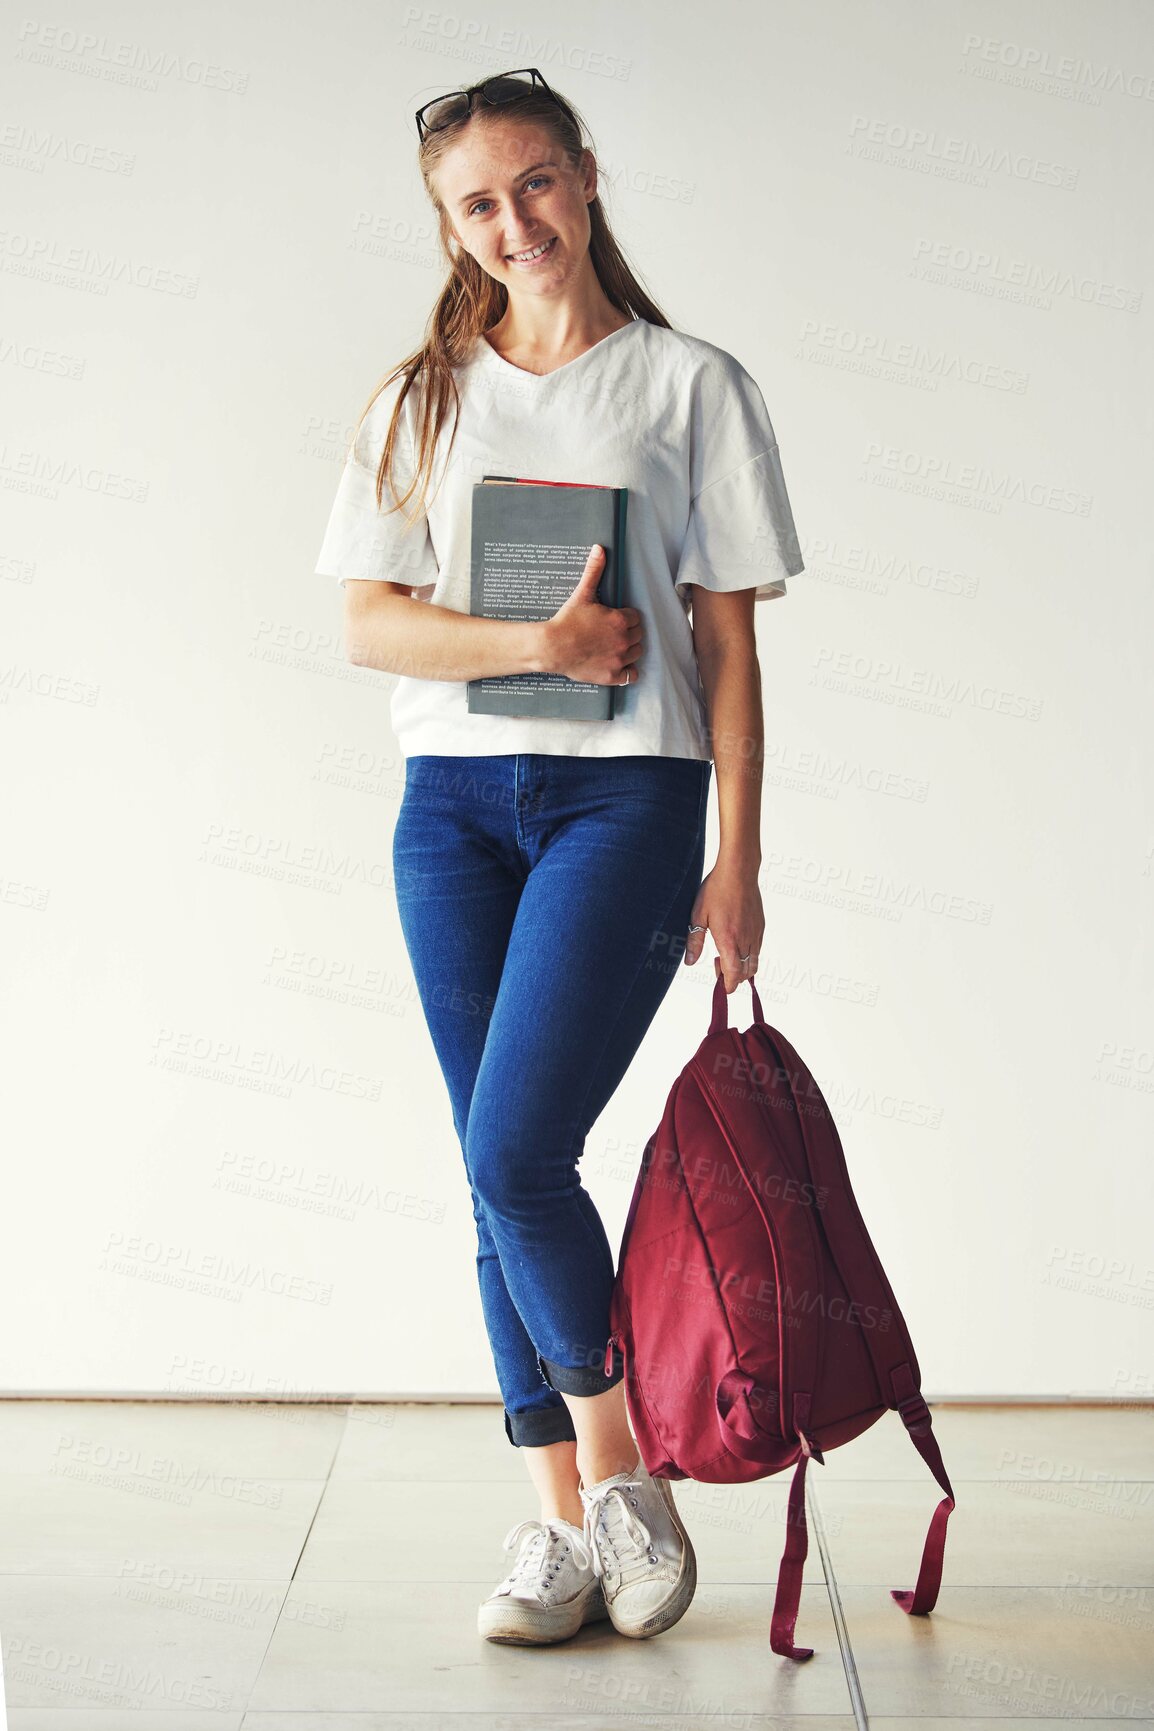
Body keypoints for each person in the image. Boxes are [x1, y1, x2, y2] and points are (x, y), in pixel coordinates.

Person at [314, 68, 805, 1649]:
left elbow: (724, 649)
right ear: (446, 227)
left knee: (516, 1153)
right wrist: (533, 636)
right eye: (476, 202)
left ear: (585, 179)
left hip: (624, 806)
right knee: (491, 1175)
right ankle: (562, 1533)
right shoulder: (423, 397)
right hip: (450, 806)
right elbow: (369, 622)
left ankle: (623, 1474)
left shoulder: (686, 385)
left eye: (534, 183)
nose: (511, 222)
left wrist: (736, 860)